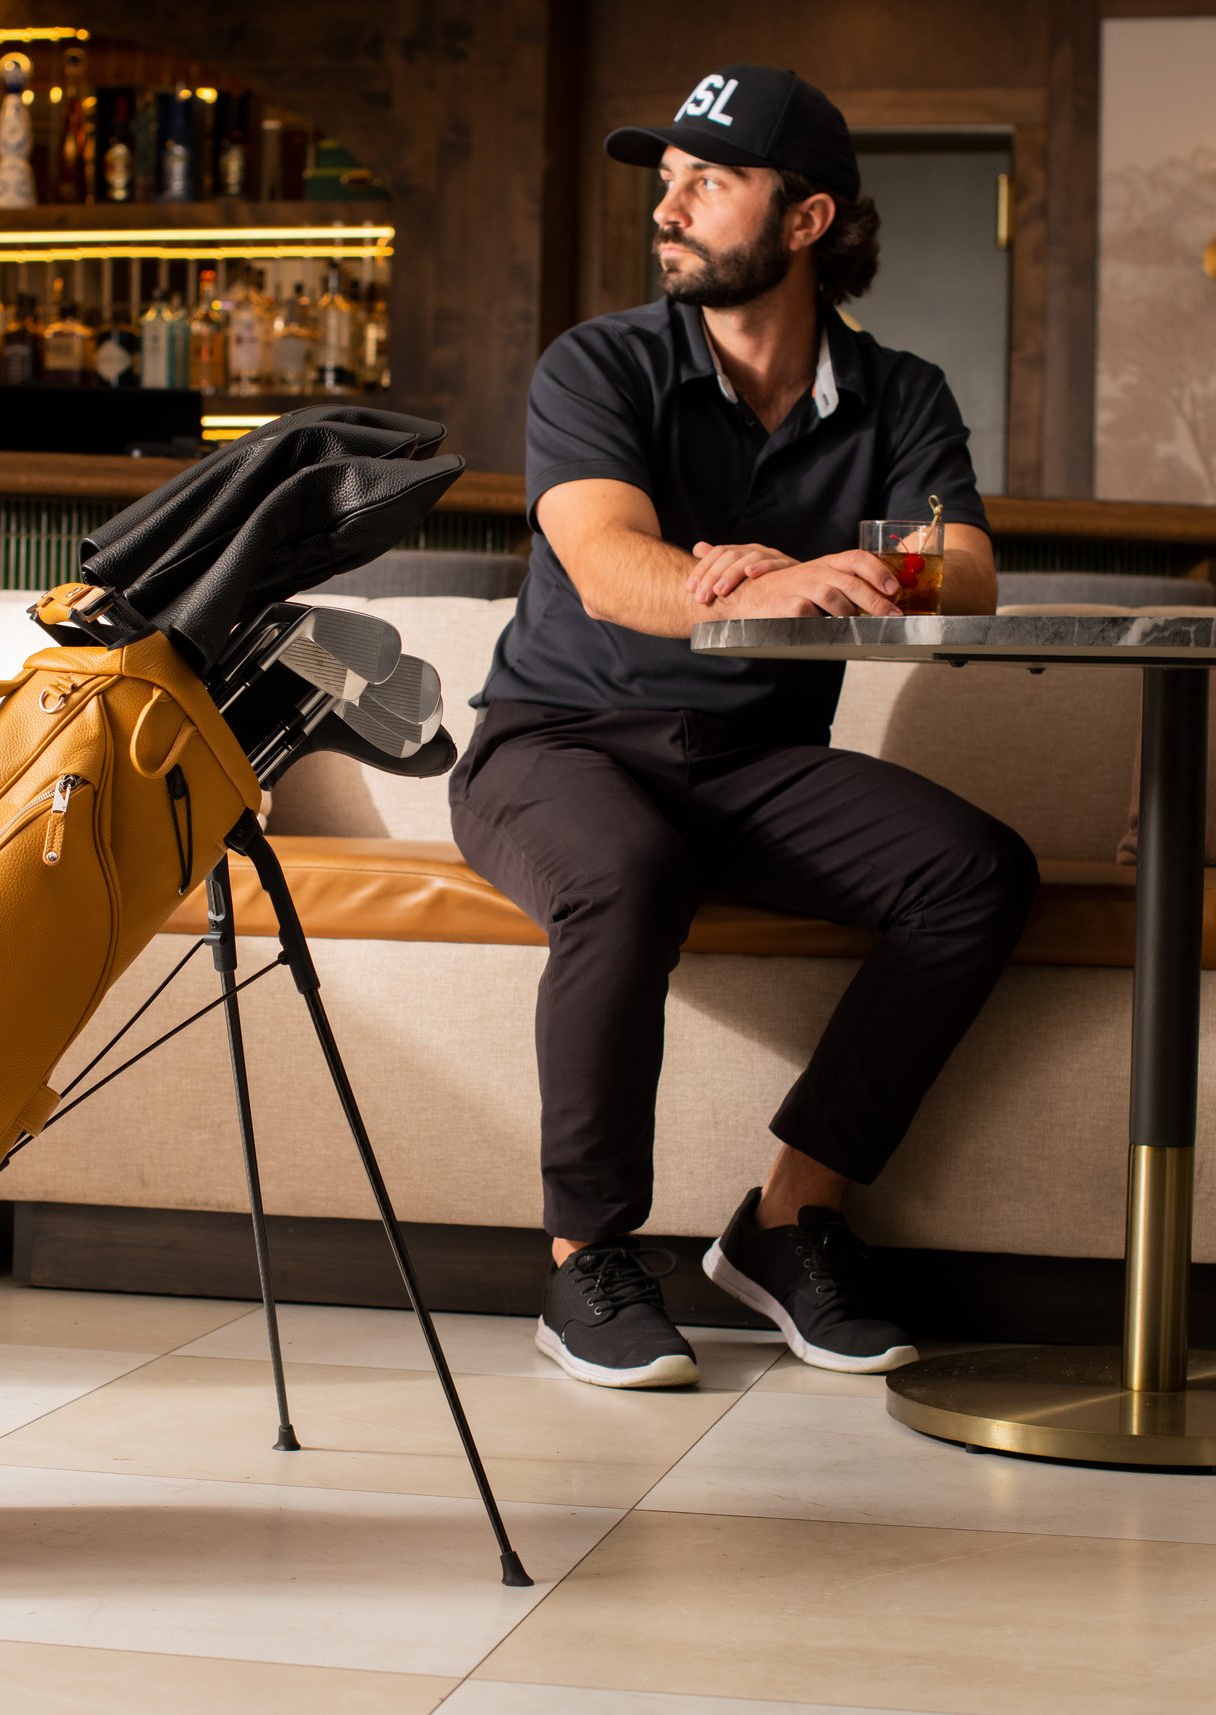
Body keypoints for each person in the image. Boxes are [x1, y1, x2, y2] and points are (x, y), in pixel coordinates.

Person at [450, 65, 1039, 1387]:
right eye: (666, 182)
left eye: (708, 180)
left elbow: (969, 574)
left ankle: (788, 1221)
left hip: (757, 766)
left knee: (976, 874)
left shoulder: (900, 395)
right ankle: (584, 1261)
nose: (671, 207)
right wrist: (768, 582)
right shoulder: (600, 364)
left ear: (807, 218)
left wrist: (845, 573)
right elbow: (611, 568)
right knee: (624, 868)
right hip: (559, 745)